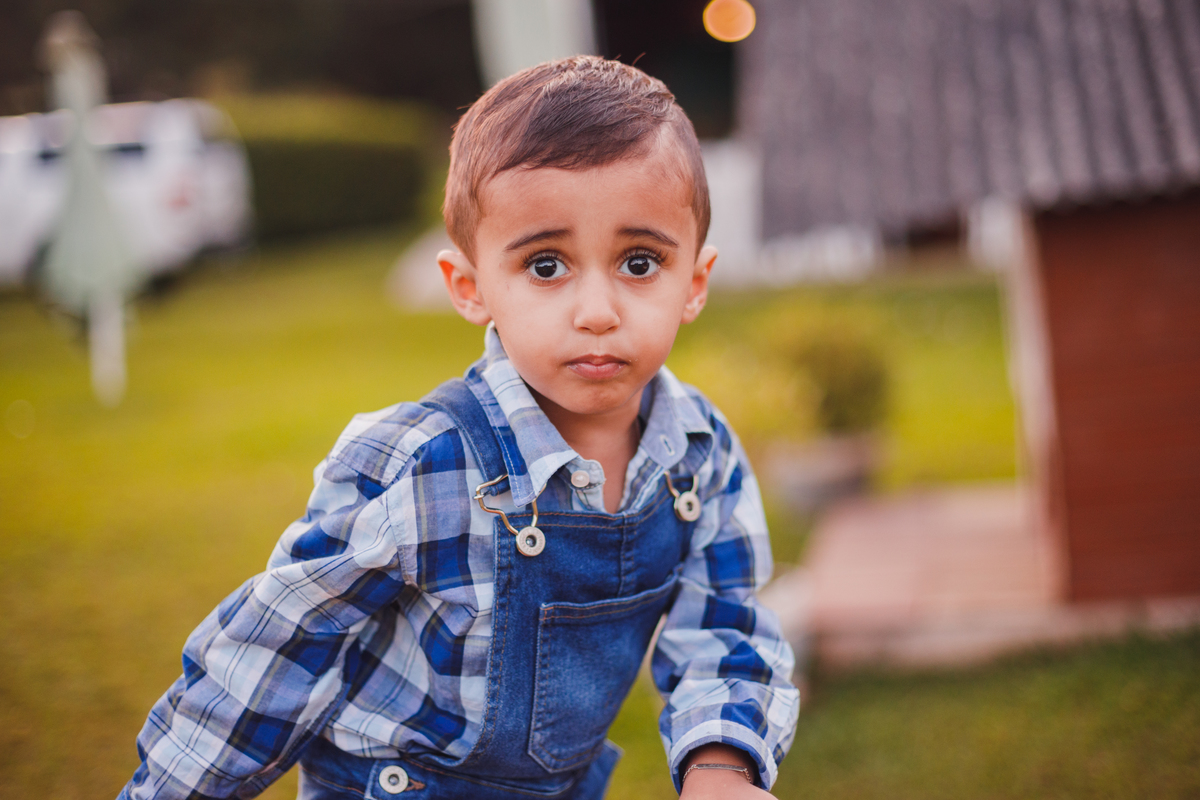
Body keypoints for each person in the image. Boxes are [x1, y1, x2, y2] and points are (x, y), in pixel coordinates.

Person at [119, 56, 798, 800]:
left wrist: (719, 768)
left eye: (639, 262)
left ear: (693, 284)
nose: (598, 311)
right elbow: (276, 654)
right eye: (547, 266)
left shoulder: (697, 452)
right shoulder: (422, 463)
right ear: (471, 288)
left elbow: (724, 629)